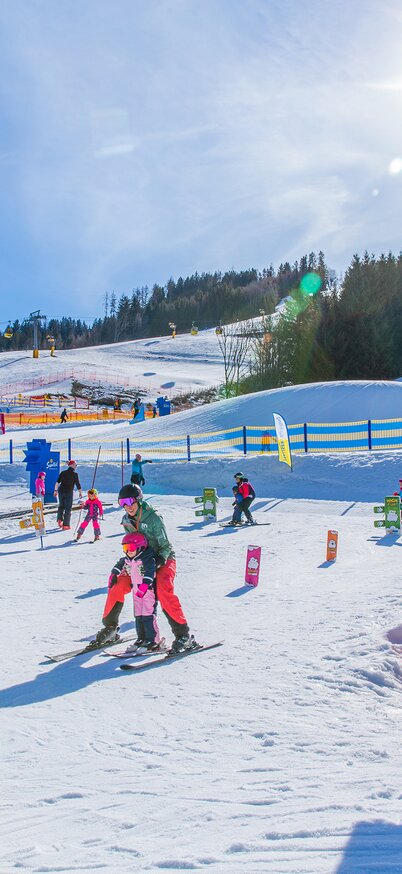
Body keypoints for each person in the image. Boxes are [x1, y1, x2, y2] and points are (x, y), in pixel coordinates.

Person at [117, 483, 196, 652]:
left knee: (163, 590)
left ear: (138, 499)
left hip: (163, 557)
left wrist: (159, 562)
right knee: (123, 587)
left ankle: (183, 635)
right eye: (122, 502)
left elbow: (166, 546)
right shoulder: (126, 520)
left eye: (130, 501)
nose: (127, 506)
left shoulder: (153, 517)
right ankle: (138, 635)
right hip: (141, 560)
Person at [92, 532, 163, 652]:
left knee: (148, 615)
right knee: (138, 616)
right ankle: (141, 638)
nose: (127, 551)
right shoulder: (130, 559)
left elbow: (150, 573)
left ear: (140, 547)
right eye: (125, 548)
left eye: (130, 548)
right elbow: (120, 563)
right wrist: (114, 573)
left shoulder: (147, 559)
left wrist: (144, 586)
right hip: (137, 592)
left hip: (147, 592)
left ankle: (153, 641)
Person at [54, 460, 83, 530]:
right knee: (68, 508)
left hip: (61, 491)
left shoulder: (63, 473)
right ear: (72, 465)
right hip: (68, 492)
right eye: (75, 465)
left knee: (61, 506)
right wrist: (80, 492)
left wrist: (55, 490)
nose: (76, 466)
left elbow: (57, 482)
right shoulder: (74, 474)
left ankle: (59, 519)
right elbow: (78, 484)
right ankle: (66, 525)